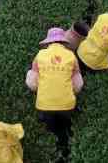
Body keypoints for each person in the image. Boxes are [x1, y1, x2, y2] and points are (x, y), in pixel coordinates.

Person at [26, 28, 84, 161]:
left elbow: (32, 82)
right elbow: (77, 83)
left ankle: (54, 136)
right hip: (67, 105)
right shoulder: (70, 55)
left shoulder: (40, 55)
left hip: (44, 105)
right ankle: (67, 131)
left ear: (48, 43)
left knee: (50, 122)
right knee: (65, 119)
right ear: (63, 42)